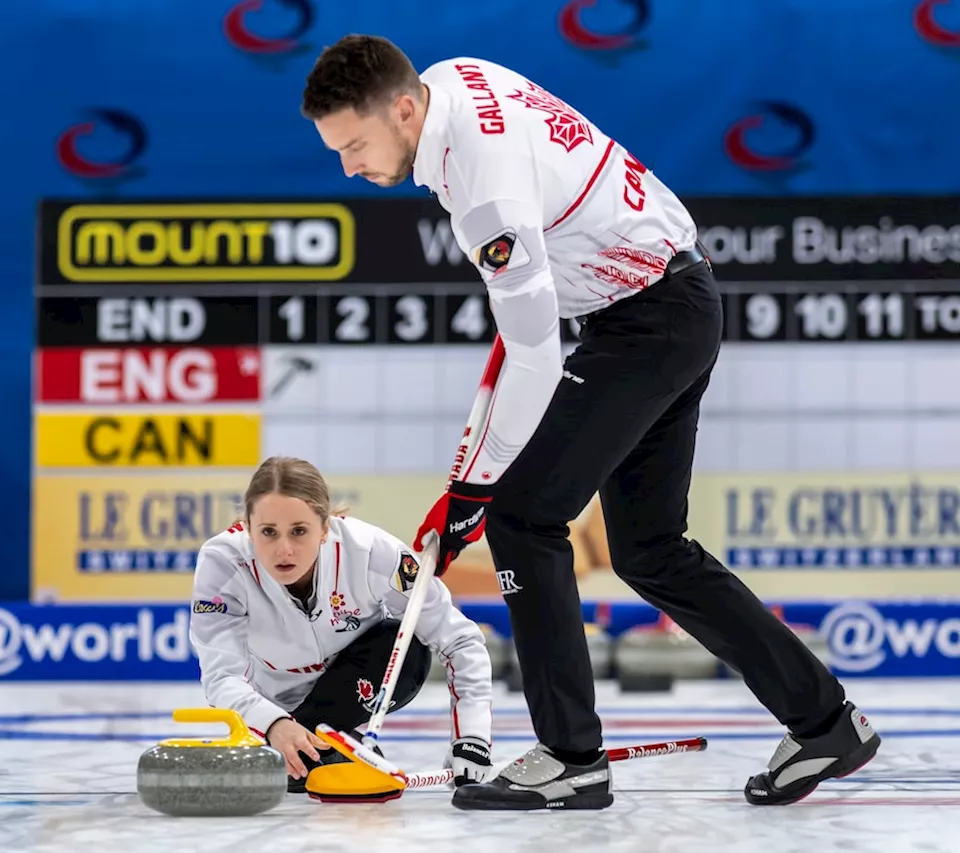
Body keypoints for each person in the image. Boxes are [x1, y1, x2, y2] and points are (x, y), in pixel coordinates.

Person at [300, 36, 879, 811]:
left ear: (403, 111)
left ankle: (572, 756)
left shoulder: (484, 191)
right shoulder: (451, 80)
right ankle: (826, 722)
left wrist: (476, 490)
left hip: (646, 319)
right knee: (650, 549)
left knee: (523, 515)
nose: (349, 168)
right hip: (670, 299)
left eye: (355, 145)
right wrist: (470, 478)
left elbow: (535, 357)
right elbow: (522, 320)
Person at [188, 455, 494, 793]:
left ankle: (335, 741)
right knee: (298, 770)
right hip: (273, 701)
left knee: (404, 641)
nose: (284, 549)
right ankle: (330, 748)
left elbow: (460, 640)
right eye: (268, 532)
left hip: (359, 680)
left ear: (325, 526)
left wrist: (472, 737)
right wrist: (272, 722)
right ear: (247, 526)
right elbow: (221, 676)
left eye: (299, 531)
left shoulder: (371, 551)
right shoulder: (223, 562)